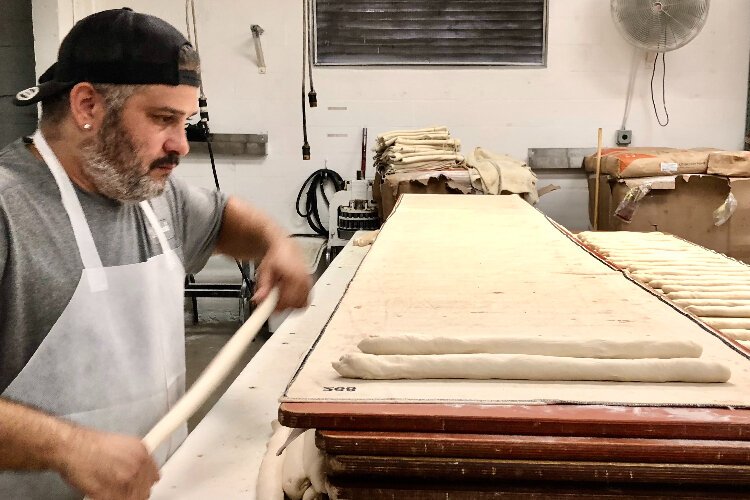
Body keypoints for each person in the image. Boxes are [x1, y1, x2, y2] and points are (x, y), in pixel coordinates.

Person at [0, 8, 311, 499]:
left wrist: (277, 243)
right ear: (87, 105)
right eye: (163, 118)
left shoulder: (149, 194)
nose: (181, 145)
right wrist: (66, 448)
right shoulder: (9, 209)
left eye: (185, 121)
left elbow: (227, 217)